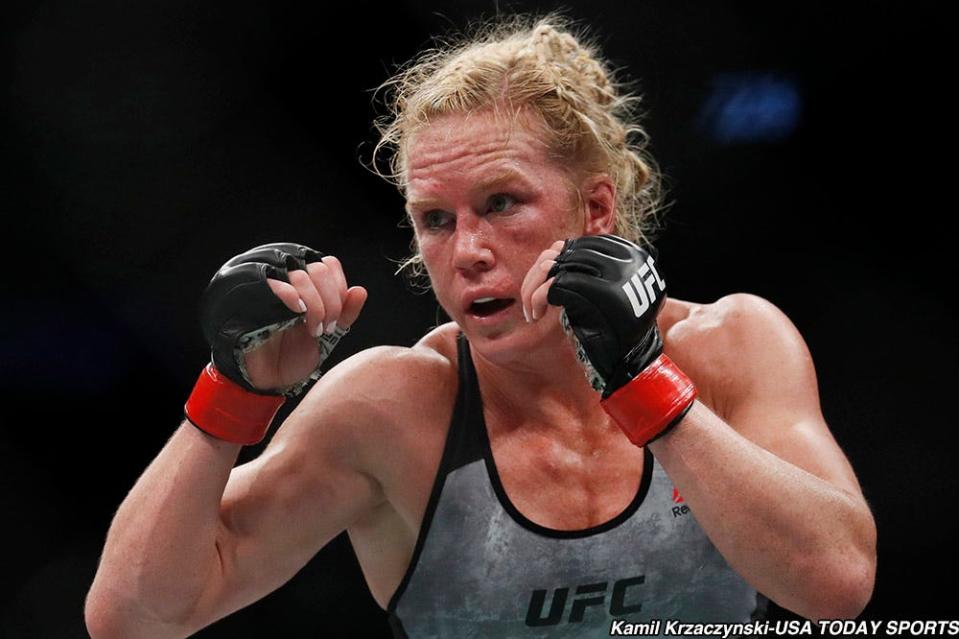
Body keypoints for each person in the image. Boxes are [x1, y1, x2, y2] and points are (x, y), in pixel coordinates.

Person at [84, 15, 876, 638]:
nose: (466, 252)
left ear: (595, 209)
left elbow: (837, 583)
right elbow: (137, 617)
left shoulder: (729, 346)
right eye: (434, 219)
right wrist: (231, 396)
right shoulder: (391, 407)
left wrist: (643, 384)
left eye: (501, 203)